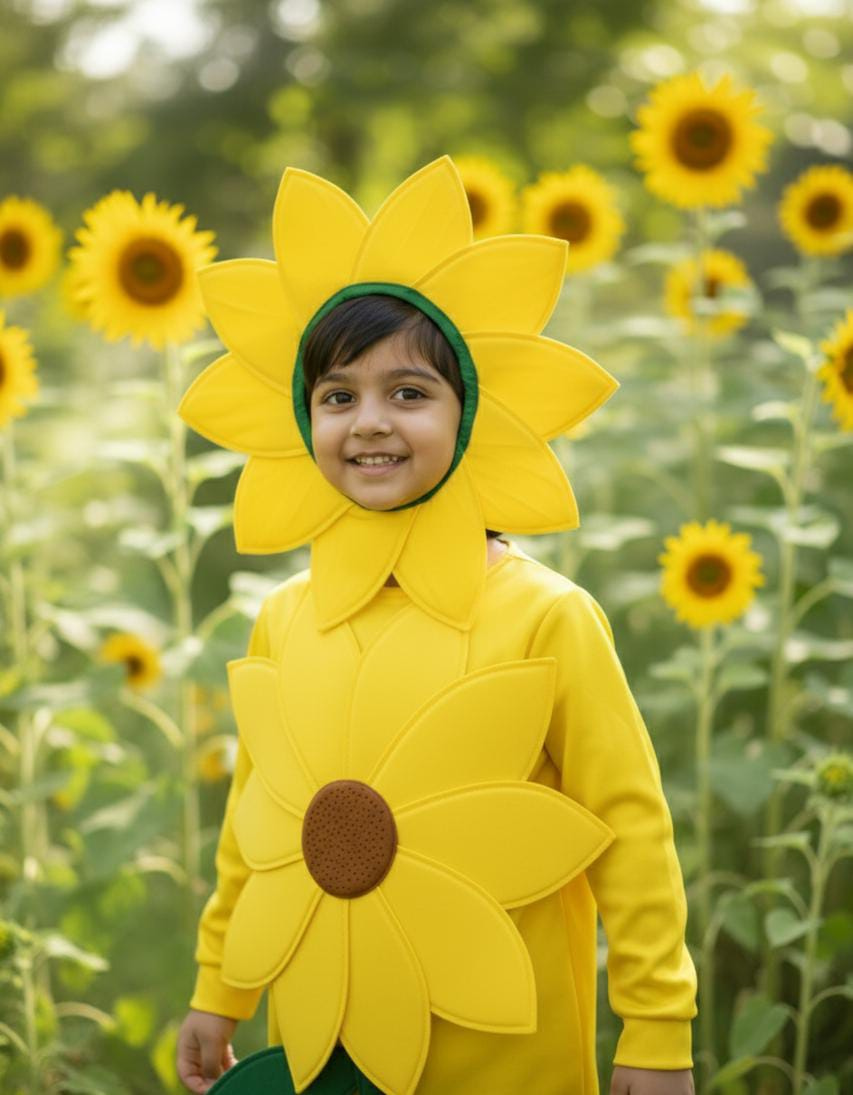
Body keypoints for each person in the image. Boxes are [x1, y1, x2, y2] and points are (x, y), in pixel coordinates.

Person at [174, 158, 697, 1095]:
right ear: (303, 415)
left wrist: (656, 1029)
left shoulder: (545, 616)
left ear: (470, 413)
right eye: (338, 396)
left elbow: (630, 832)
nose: (369, 423)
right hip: (319, 1042)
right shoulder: (284, 619)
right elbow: (257, 830)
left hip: (503, 1056)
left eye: (408, 393)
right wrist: (221, 985)